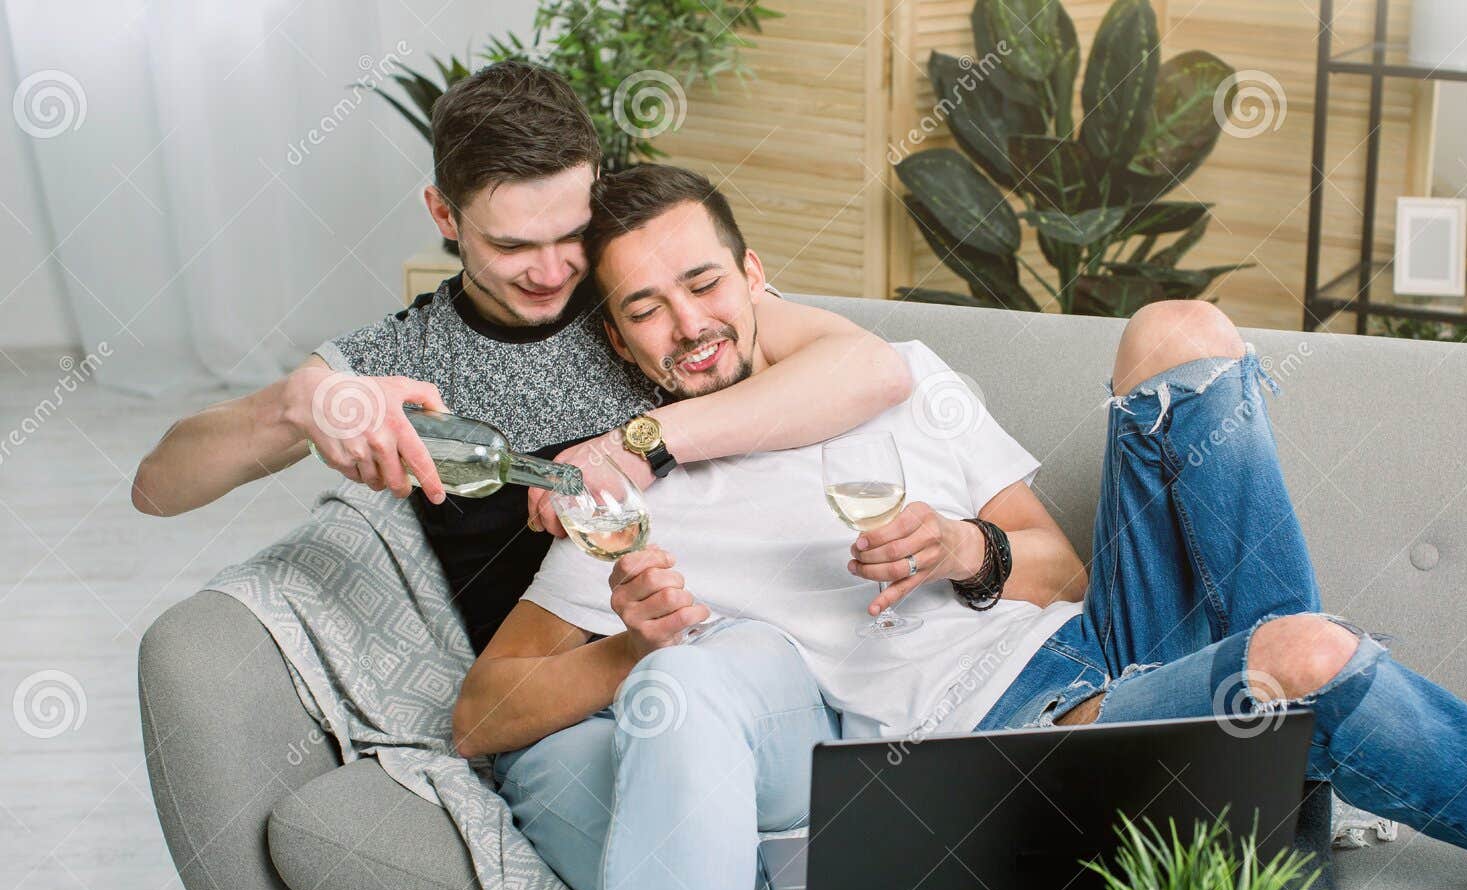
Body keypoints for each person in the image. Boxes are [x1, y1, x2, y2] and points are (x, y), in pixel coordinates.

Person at [461, 164, 1467, 890]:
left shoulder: (885, 374)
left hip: (1097, 644)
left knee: (1176, 331)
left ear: (756, 273)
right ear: (619, 341)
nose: (689, 325)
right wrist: (637, 640)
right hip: (1022, 743)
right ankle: (1291, 774)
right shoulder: (632, 504)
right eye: (646, 311)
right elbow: (481, 713)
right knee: (1301, 652)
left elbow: (1057, 567)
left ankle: (1270, 785)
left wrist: (968, 548)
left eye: (704, 283)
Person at [129, 61, 910, 653]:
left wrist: (635, 444)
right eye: (510, 245)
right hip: (565, 687)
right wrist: (293, 402)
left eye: (570, 235)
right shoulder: (405, 358)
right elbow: (156, 490)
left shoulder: (646, 298)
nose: (549, 271)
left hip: (767, 633)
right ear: (444, 213)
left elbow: (870, 370)